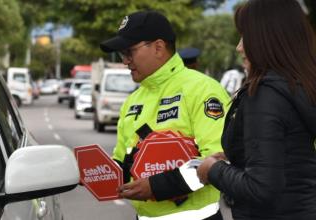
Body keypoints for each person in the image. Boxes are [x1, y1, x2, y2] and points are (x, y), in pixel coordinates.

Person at [100, 11, 230, 219]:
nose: (125, 61)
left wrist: (156, 187)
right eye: (121, 55)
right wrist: (93, 171)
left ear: (158, 47)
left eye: (129, 52)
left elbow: (217, 160)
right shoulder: (133, 101)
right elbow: (124, 162)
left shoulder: (203, 89)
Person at [197, 0, 316, 219]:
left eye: (245, 36)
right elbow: (292, 155)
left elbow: (262, 188)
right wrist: (239, 156)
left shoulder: (265, 94)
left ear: (267, 40)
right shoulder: (299, 86)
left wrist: (212, 169)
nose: (239, 47)